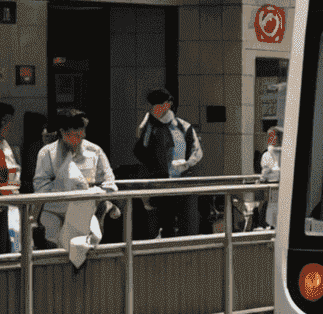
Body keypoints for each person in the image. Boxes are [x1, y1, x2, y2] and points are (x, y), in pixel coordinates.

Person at [34, 108, 118, 270]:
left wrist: (93, 191)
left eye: (82, 133)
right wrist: (63, 185)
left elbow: (110, 184)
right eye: (75, 135)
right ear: (62, 132)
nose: (81, 138)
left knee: (89, 245)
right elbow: (40, 187)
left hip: (85, 210)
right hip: (55, 210)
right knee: (56, 253)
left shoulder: (94, 151)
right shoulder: (46, 153)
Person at [134, 88, 202, 236]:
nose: (155, 108)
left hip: (180, 186)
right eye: (153, 105)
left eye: (160, 104)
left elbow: (197, 152)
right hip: (156, 187)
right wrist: (146, 126)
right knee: (154, 228)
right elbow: (140, 152)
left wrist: (186, 164)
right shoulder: (149, 127)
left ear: (168, 104)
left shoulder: (183, 127)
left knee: (182, 227)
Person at [0, 102, 18, 255]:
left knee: (9, 248)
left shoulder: (4, 144)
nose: (9, 125)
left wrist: (12, 191)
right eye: (6, 121)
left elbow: (12, 172)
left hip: (7, 204)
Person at [259, 127, 282, 229]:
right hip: (278, 186)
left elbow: (265, 172)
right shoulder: (286, 154)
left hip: (273, 185)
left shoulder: (267, 155)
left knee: (272, 209)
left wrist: (260, 180)